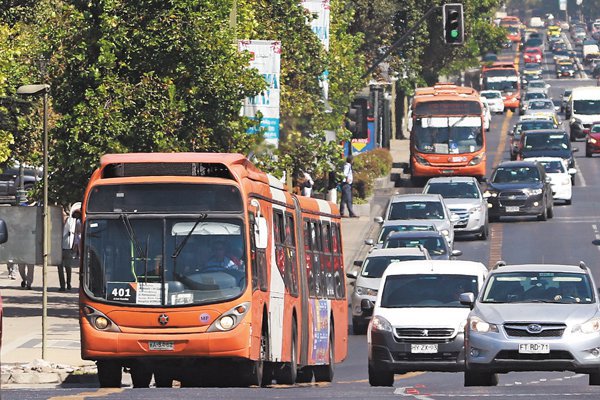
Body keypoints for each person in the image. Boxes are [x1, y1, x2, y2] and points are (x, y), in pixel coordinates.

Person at [59, 203, 82, 291]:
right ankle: (62, 285)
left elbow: (75, 232)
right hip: (58, 248)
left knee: (68, 267)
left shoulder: (71, 221)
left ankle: (68, 283)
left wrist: (74, 245)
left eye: (62, 212)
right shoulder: (56, 222)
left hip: (68, 247)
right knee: (60, 268)